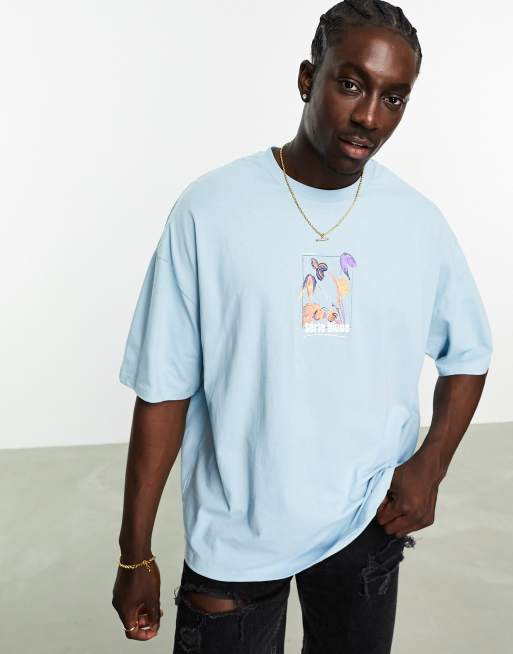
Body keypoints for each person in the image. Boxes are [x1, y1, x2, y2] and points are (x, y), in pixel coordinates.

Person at [111, 1, 493, 652]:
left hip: (363, 522)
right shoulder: (210, 210)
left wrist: (429, 466)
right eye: (350, 84)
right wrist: (134, 552)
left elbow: (469, 354)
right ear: (306, 78)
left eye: (393, 98)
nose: (369, 116)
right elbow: (164, 386)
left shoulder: (416, 222)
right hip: (235, 531)